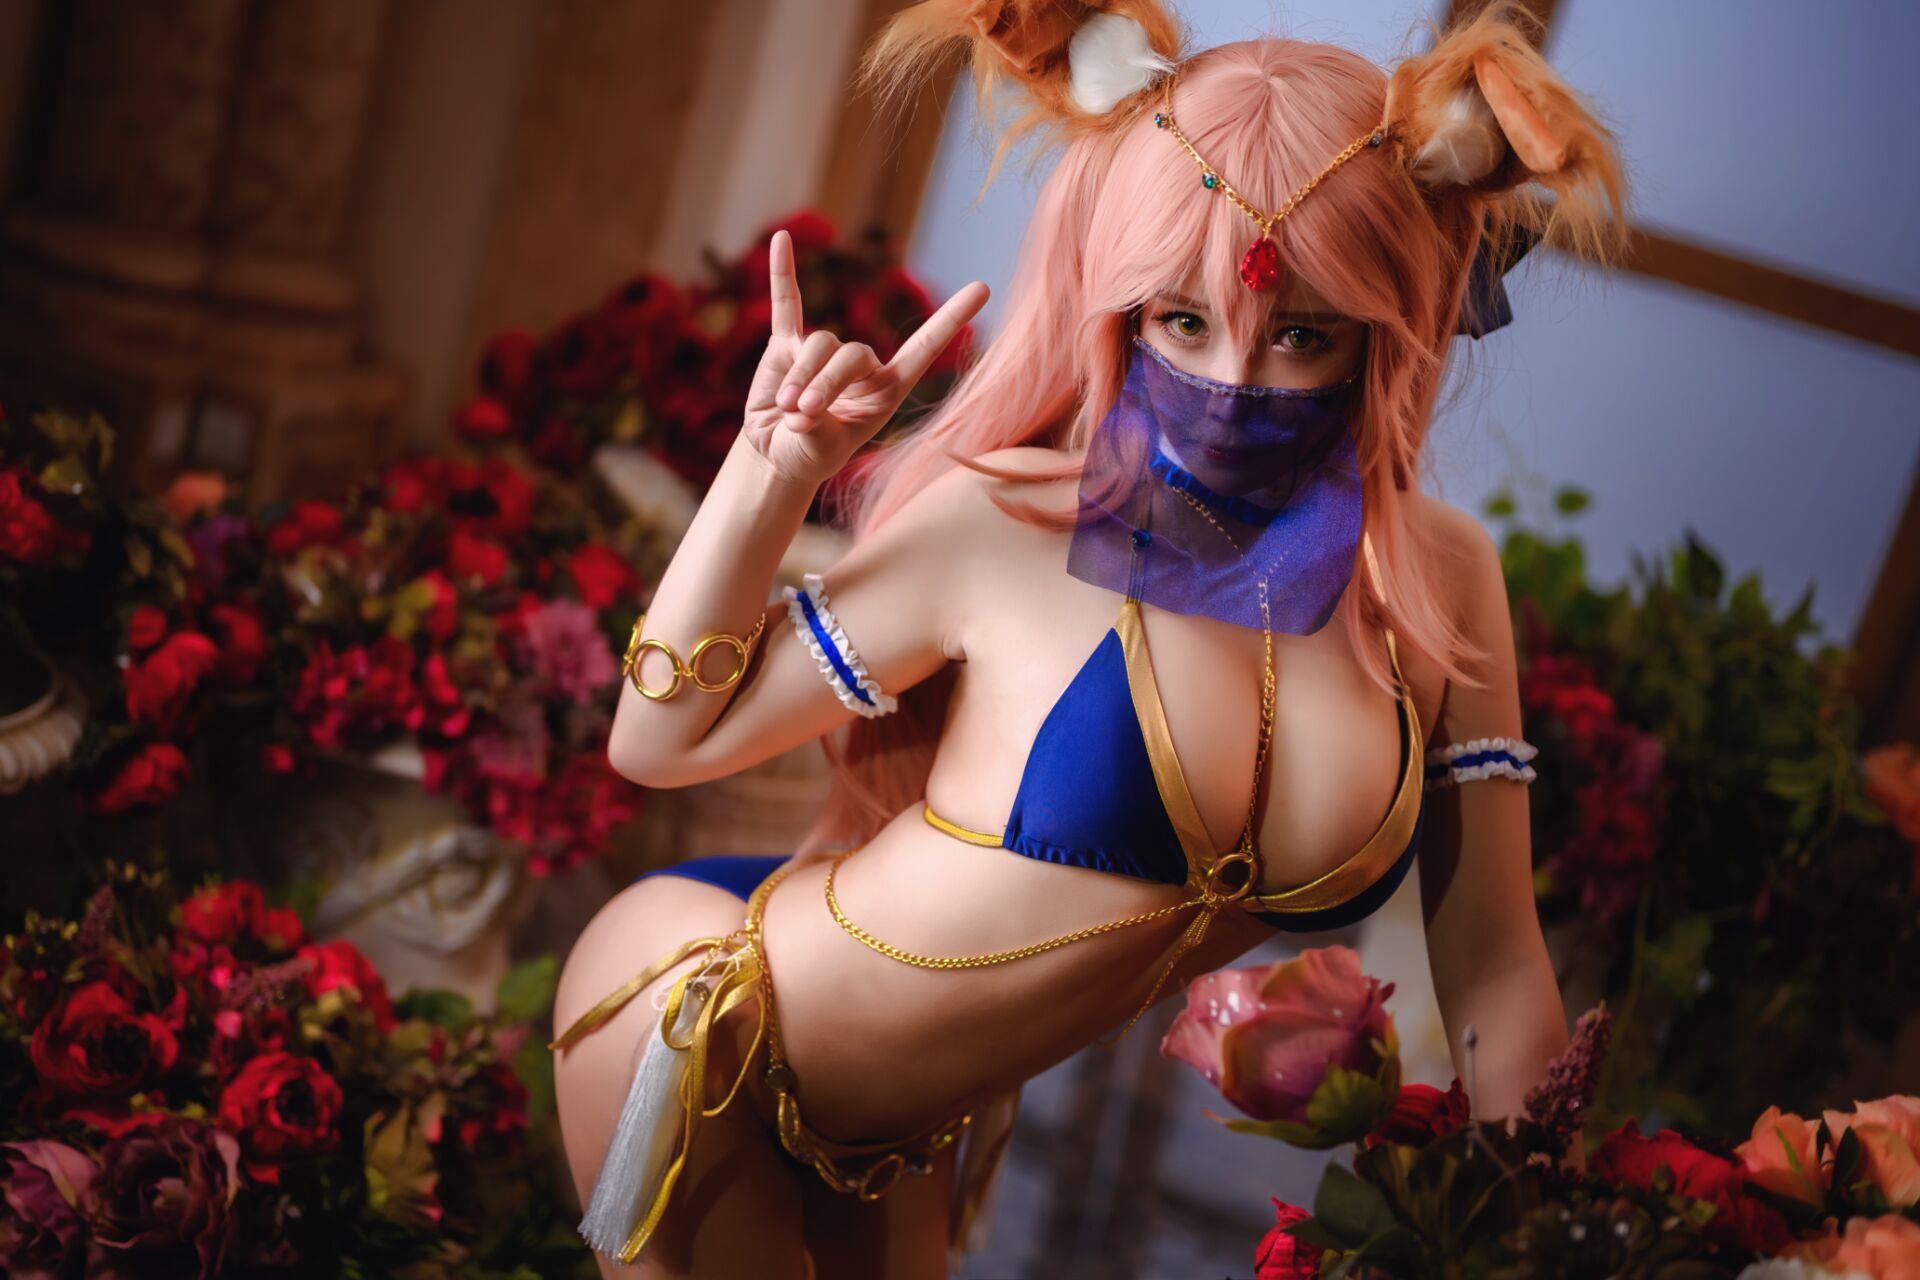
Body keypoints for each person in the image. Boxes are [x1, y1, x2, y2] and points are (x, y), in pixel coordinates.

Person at [551, 2, 1625, 1276]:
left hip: (907, 1131)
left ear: (1385, 328)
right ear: (1117, 308)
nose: (1236, 381)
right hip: (712, 1016)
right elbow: (658, 744)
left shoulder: (1437, 578)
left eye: (1302, 333)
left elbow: (1494, 962)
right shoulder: (1004, 516)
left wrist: (1548, 1233)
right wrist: (765, 473)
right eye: (1182, 320)